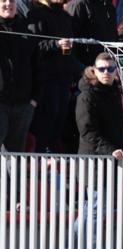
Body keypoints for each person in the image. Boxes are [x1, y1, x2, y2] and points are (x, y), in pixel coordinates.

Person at [26, 0, 79, 153]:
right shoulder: (36, 15)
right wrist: (55, 45)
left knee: (59, 121)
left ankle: (50, 161)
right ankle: (39, 160)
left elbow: (69, 49)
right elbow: (33, 46)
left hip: (64, 79)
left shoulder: (64, 16)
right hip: (45, 80)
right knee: (46, 121)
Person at [0, 0, 37, 152]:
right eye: (3, 0)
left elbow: (37, 67)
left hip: (23, 104)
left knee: (16, 155)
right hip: (0, 102)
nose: (8, 4)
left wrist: (34, 99)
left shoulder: (26, 32)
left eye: (12, 1)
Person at [76, 52, 123, 158]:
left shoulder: (115, 94)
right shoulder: (86, 96)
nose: (106, 72)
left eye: (110, 69)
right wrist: (110, 150)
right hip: (92, 161)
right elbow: (88, 132)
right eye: (101, 69)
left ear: (116, 71)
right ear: (95, 71)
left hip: (114, 158)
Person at [66, 0, 118, 65]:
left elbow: (114, 36)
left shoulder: (109, 6)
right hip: (85, 66)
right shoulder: (78, 4)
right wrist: (78, 67)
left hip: (107, 65)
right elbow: (69, 38)